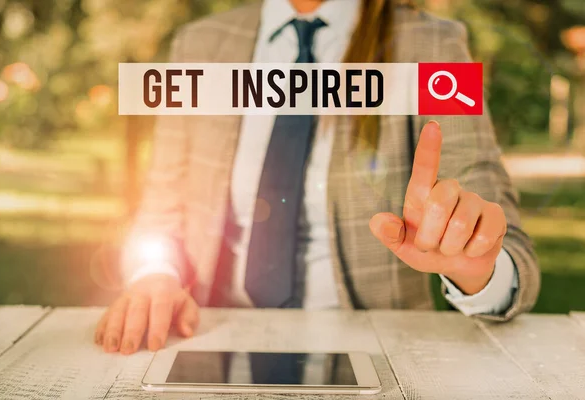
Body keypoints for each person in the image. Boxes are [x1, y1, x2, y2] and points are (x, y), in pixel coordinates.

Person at [94, 0, 540, 355]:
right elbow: (160, 213)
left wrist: (475, 262)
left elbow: (507, 246)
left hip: (377, 350)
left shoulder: (432, 46)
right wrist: (156, 273)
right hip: (210, 340)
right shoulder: (199, 43)